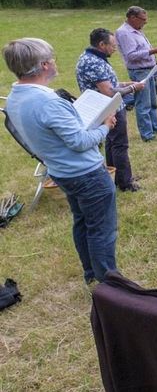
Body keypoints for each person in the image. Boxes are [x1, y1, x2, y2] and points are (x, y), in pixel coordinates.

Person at [3, 38, 119, 285]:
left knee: (82, 222)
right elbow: (79, 142)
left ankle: (92, 273)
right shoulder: (48, 102)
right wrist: (106, 125)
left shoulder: (15, 97)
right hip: (86, 173)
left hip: (61, 171)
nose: (55, 63)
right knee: (101, 230)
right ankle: (110, 284)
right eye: (52, 59)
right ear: (44, 65)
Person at [76, 29, 146, 192]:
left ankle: (115, 175)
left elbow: (108, 83)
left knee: (111, 143)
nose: (115, 48)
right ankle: (125, 183)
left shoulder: (90, 57)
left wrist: (124, 84)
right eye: (113, 45)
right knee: (120, 145)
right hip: (109, 109)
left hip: (106, 108)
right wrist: (134, 88)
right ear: (102, 44)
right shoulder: (94, 62)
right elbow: (108, 91)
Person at [115, 6, 157, 142]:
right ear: (132, 18)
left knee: (152, 101)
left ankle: (155, 127)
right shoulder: (124, 33)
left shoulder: (136, 30)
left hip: (148, 69)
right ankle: (147, 135)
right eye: (143, 20)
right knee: (143, 104)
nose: (145, 22)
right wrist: (153, 51)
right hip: (139, 72)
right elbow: (131, 55)